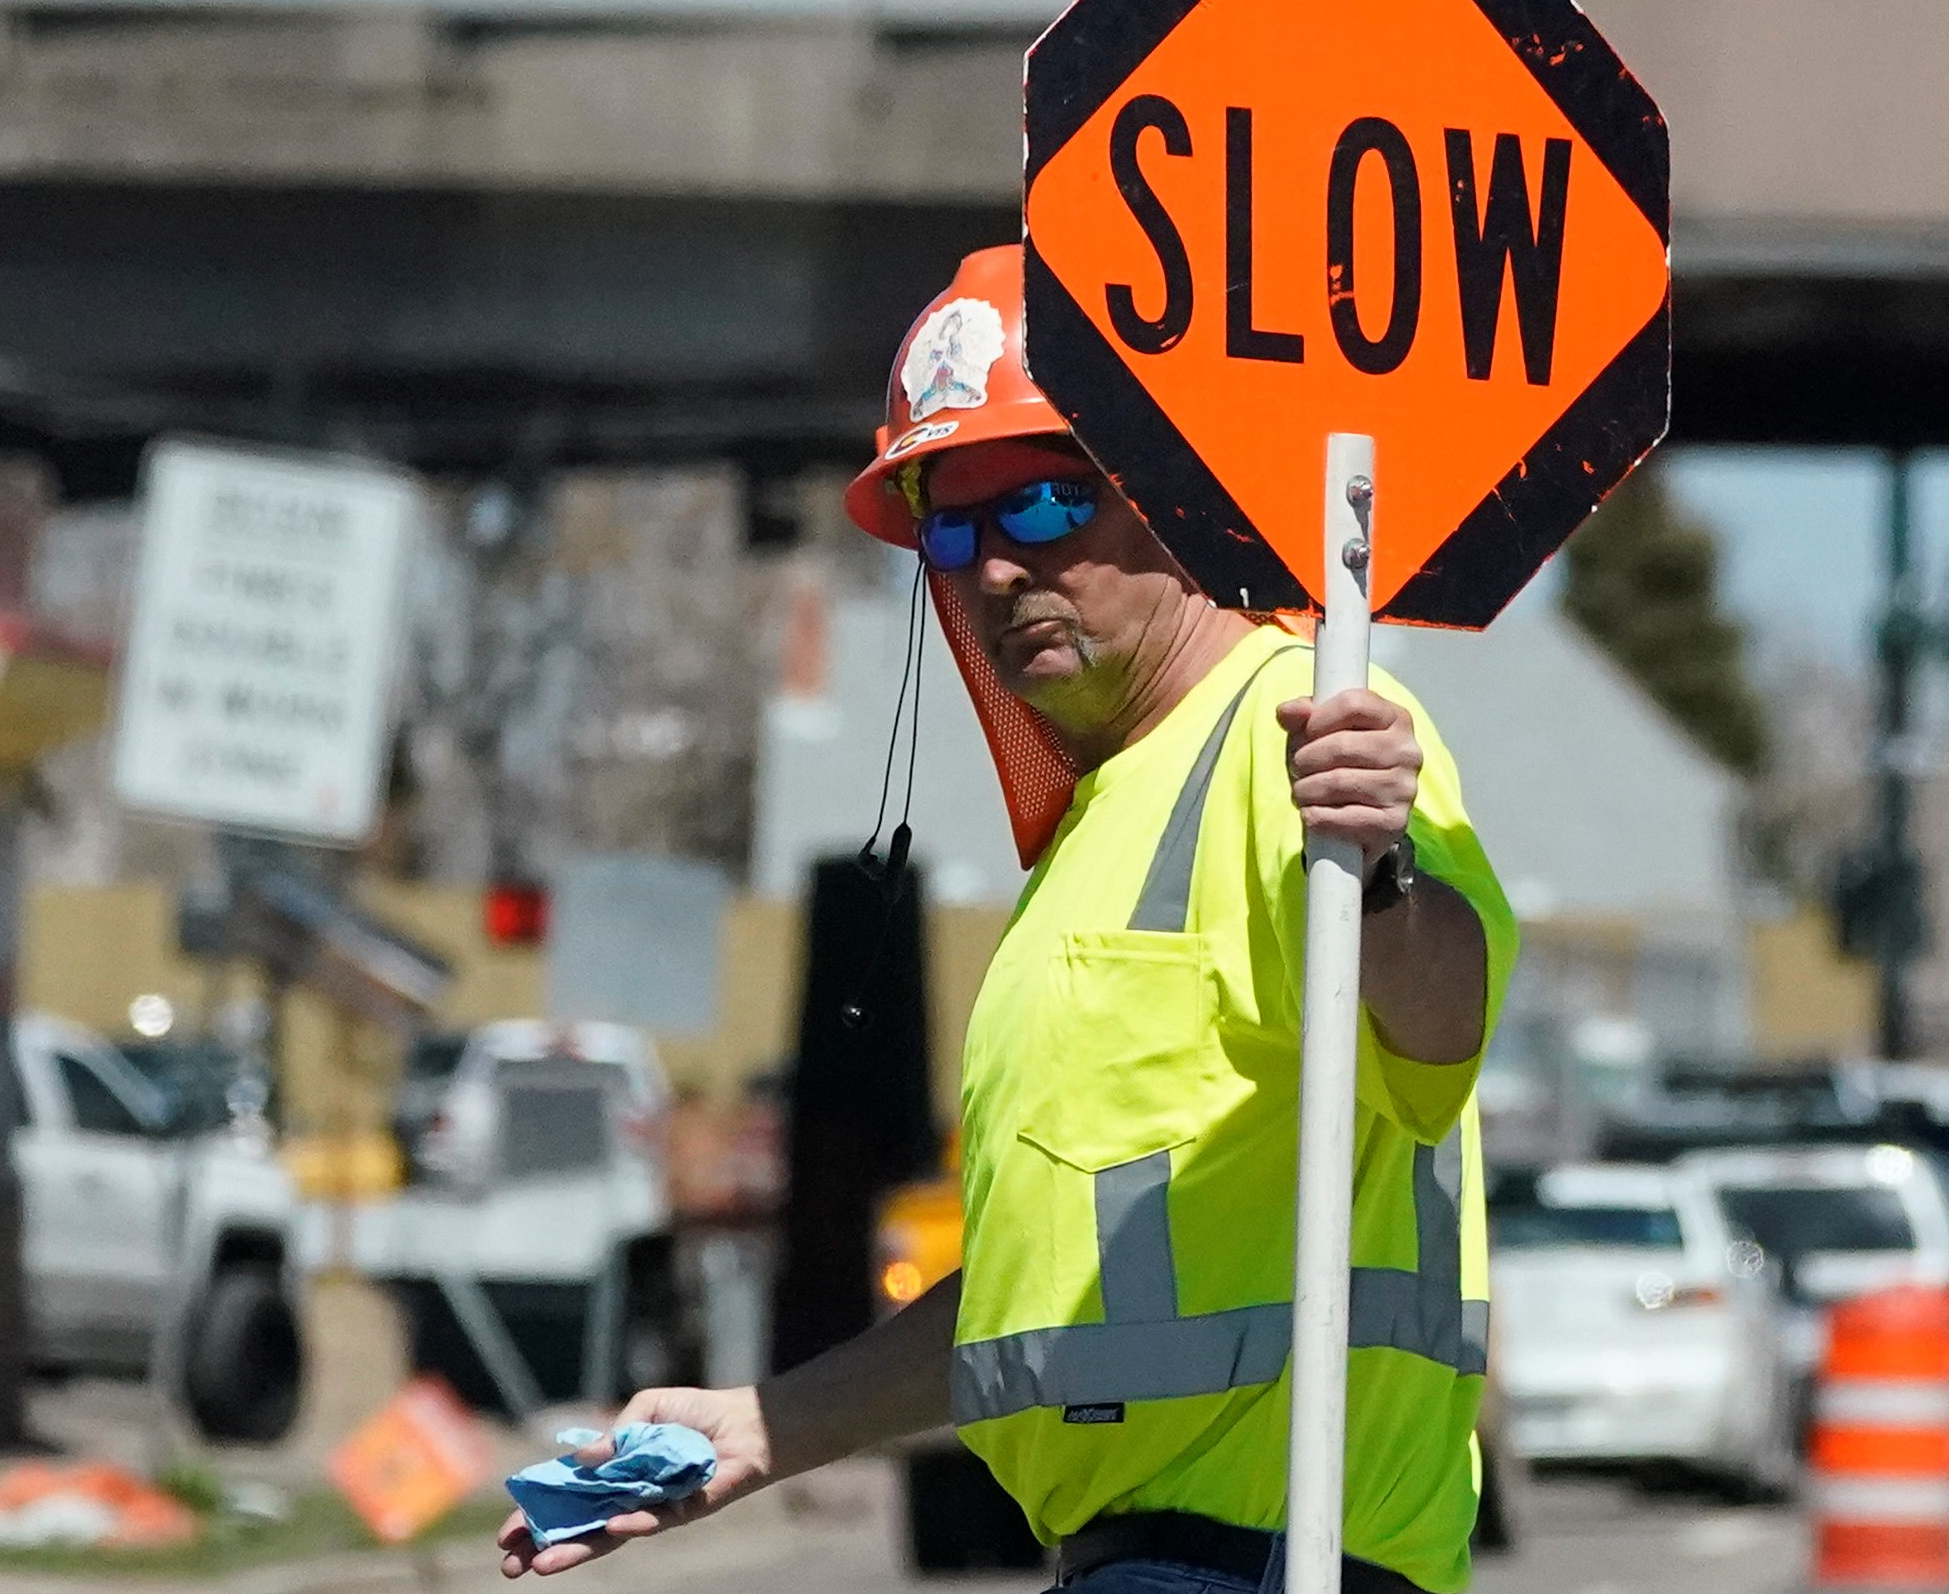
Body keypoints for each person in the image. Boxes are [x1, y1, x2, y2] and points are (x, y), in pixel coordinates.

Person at [497, 245, 1517, 1593]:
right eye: (951, 527)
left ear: (1177, 496)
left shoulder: (1294, 731)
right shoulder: (1104, 822)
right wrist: (763, 1426)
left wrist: (1378, 874)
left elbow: (1438, 1037)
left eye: (1040, 507)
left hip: (1274, 1559)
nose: (990, 572)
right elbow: (1046, 1304)